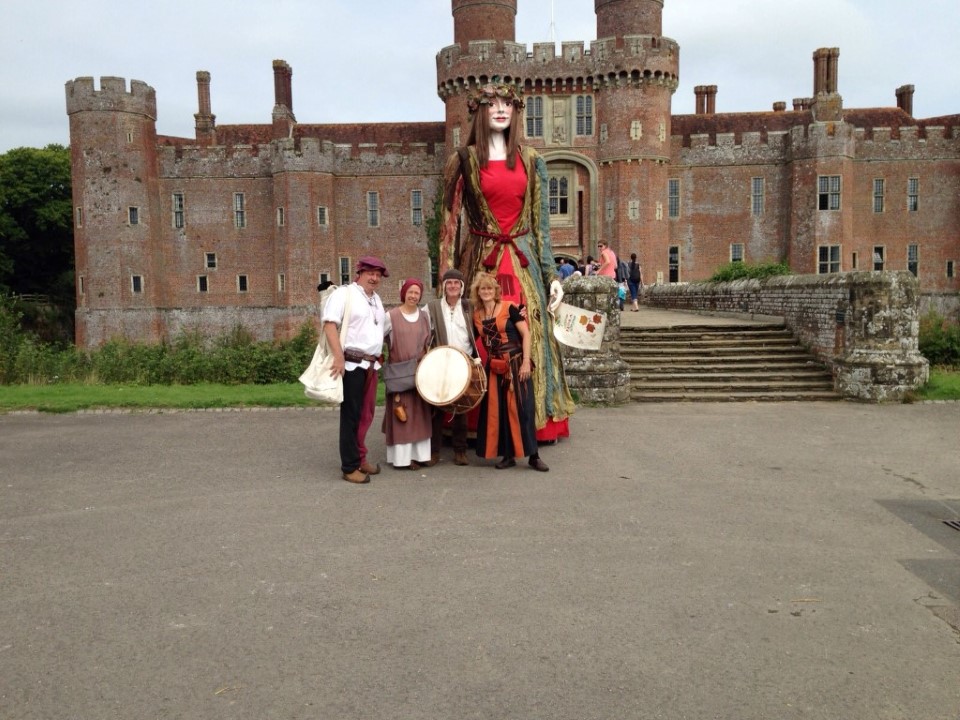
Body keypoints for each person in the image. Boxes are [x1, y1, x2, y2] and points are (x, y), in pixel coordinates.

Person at [438, 79, 575, 443]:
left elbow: (540, 226)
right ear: (479, 111)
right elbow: (449, 225)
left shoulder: (533, 161)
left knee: (529, 336)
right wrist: (444, 280)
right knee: (481, 337)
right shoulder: (463, 160)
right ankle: (479, 424)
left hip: (522, 261)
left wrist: (552, 277)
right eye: (492, 103)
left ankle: (532, 426)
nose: (500, 108)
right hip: (482, 261)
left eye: (507, 103)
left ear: (515, 112)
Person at [470, 272, 548, 472]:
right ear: (477, 292)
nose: (486, 292)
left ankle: (534, 456)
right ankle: (508, 456)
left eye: (489, 288)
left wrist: (525, 363)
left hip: (515, 364)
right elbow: (470, 341)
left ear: (495, 291)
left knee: (524, 409)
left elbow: (526, 334)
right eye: (482, 289)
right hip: (495, 368)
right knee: (500, 412)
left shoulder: (509, 308)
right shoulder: (477, 315)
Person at [322, 256, 388, 484]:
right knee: (351, 416)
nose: (375, 278)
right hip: (351, 364)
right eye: (370, 273)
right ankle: (349, 466)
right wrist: (339, 358)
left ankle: (360, 458)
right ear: (359, 273)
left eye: (378, 275)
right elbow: (330, 324)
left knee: (365, 415)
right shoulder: (344, 294)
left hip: (371, 364)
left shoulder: (376, 299)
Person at [426, 268, 479, 467]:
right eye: (449, 283)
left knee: (461, 408)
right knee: (437, 408)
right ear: (444, 286)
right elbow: (421, 328)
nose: (453, 286)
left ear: (462, 286)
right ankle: (434, 451)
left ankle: (460, 450)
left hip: (463, 362)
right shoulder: (432, 307)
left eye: (456, 283)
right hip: (440, 362)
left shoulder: (469, 307)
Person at [382, 278, 434, 471]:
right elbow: (376, 339)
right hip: (399, 373)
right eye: (410, 292)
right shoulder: (391, 316)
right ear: (403, 293)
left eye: (416, 293)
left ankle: (421, 455)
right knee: (401, 414)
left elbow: (429, 342)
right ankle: (403, 459)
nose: (413, 296)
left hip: (420, 372)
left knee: (420, 414)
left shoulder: (424, 317)